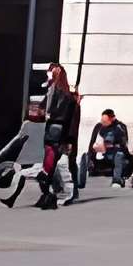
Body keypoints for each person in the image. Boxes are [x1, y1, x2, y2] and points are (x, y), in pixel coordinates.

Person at [0, 101, 71, 209]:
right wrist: (3, 151)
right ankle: (46, 197)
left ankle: (14, 199)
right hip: (33, 157)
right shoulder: (29, 124)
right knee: (38, 178)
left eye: (35, 109)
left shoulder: (46, 125)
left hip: (42, 158)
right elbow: (17, 139)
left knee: (27, 176)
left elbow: (52, 141)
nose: (32, 112)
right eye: (31, 109)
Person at [37, 64, 80, 211]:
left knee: (53, 163)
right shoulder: (65, 95)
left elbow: (49, 110)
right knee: (54, 163)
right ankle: (50, 194)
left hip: (55, 130)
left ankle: (50, 195)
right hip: (58, 131)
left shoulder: (57, 92)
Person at [81, 109, 131, 190]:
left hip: (115, 153)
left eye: (105, 121)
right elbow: (92, 142)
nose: (102, 123)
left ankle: (117, 180)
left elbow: (123, 144)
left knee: (119, 154)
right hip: (100, 153)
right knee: (86, 156)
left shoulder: (120, 127)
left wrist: (108, 146)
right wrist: (91, 153)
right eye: (102, 120)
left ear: (112, 119)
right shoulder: (99, 127)